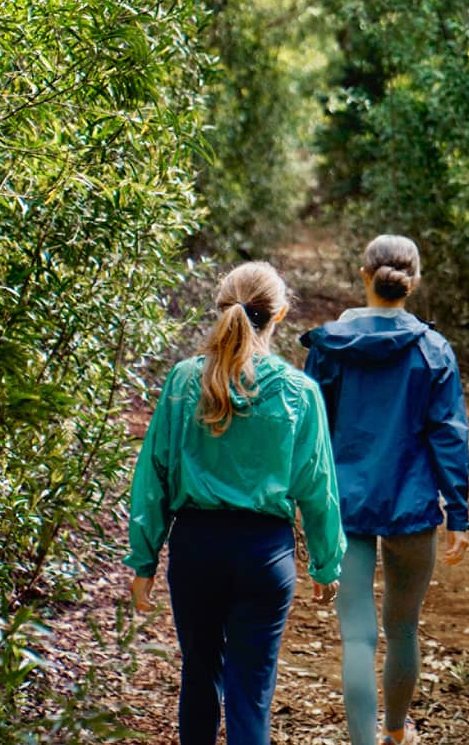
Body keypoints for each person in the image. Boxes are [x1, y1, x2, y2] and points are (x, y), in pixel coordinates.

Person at [126, 260, 346, 745]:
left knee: (199, 680)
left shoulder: (185, 382)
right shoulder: (299, 393)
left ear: (220, 308)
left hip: (195, 549)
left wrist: (143, 558)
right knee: (251, 696)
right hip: (264, 555)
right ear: (281, 314)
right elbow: (317, 486)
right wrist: (327, 564)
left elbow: (154, 475)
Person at [302, 235, 469, 745]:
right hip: (412, 507)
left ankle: (362, 741)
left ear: (364, 275)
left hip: (345, 507)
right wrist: (457, 514)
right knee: (403, 628)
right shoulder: (432, 349)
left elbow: (313, 436)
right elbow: (448, 435)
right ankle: (397, 733)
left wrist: (309, 514)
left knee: (357, 636)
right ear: (412, 282)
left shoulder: (330, 347)